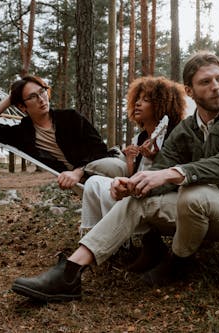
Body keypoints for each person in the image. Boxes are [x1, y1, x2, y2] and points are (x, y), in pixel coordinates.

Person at [11, 51, 219, 302]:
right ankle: (70, 272)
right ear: (190, 91)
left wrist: (171, 174)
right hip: (194, 206)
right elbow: (160, 167)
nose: (216, 86)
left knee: (192, 194)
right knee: (138, 200)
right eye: (206, 82)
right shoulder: (186, 129)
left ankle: (177, 261)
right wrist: (134, 185)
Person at [80, 76, 186, 240]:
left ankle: (113, 240)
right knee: (93, 183)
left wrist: (155, 156)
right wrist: (130, 160)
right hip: (137, 189)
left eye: (145, 100)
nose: (137, 103)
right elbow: (133, 176)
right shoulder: (140, 137)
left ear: (161, 104)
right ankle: (100, 237)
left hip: (161, 193)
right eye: (137, 99)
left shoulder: (174, 133)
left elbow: (174, 172)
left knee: (98, 185)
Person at [0, 75, 114, 189]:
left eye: (42, 92)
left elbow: (99, 149)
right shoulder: (23, 134)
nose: (41, 99)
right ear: (22, 107)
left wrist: (78, 172)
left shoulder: (70, 117)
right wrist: (9, 99)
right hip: (87, 183)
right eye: (32, 96)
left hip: (102, 167)